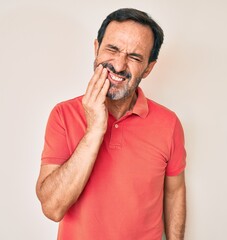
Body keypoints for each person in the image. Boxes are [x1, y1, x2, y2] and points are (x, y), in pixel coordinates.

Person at [36, 8, 187, 240]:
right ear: (96, 49)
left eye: (135, 57)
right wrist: (95, 129)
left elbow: (174, 192)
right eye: (112, 49)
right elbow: (53, 208)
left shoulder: (169, 123)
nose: (118, 65)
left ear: (148, 68)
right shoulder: (62, 114)